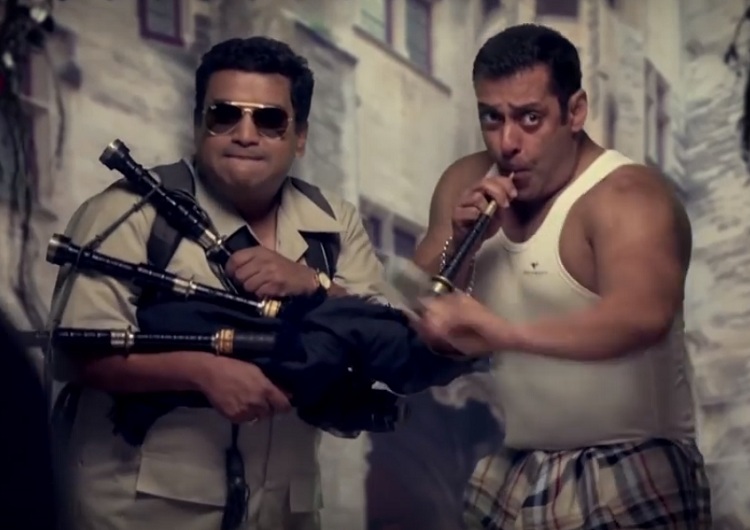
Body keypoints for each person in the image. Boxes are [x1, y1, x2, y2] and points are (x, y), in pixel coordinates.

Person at [48, 37, 387, 530]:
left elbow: (384, 341)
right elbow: (74, 352)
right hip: (142, 511)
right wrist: (201, 371)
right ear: (196, 125)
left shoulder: (335, 223)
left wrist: (313, 283)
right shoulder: (128, 211)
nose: (245, 134)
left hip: (284, 512)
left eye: (270, 120)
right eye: (224, 115)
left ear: (300, 137)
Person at [411, 24, 712, 530]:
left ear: (575, 112)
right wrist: (460, 244)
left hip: (633, 459)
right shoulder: (467, 181)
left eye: (530, 118)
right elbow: (419, 303)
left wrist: (502, 333)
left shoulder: (627, 196)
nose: (508, 142)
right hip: (517, 461)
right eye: (492, 117)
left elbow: (642, 316)